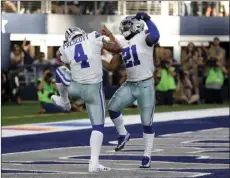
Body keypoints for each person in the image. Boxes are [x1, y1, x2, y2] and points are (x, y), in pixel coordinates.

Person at [51, 27, 122, 172]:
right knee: (98, 127)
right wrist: (109, 36)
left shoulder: (65, 47)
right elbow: (117, 48)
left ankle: (64, 101)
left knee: (60, 71)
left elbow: (61, 58)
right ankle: (93, 163)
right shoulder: (93, 36)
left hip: (75, 89)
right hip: (93, 91)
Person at [102, 12, 160, 168]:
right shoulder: (124, 43)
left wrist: (148, 19)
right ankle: (123, 134)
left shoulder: (144, 36)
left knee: (146, 122)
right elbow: (113, 63)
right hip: (130, 83)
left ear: (137, 26)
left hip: (146, 84)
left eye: (128, 25)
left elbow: (155, 36)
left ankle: (147, 155)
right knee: (112, 107)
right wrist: (96, 49)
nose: (125, 28)